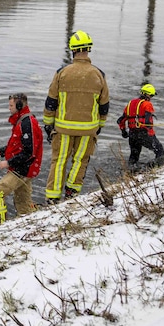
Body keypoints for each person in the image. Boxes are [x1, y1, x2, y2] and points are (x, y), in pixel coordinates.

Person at [42, 31, 110, 204]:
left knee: (59, 162)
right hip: (88, 130)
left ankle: (53, 198)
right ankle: (71, 193)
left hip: (63, 129)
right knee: (80, 161)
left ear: (72, 50)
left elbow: (51, 102)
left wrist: (48, 125)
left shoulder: (62, 73)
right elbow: (104, 106)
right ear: (88, 49)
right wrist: (99, 126)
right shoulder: (98, 74)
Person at [0, 93, 44, 227]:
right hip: (25, 168)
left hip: (23, 169)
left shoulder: (27, 123)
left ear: (19, 105)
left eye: (11, 105)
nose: (9, 108)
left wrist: (8, 162)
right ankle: (28, 222)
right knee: (23, 203)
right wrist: (1, 151)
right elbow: (17, 145)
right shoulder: (22, 121)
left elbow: (29, 152)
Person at [117, 83, 164, 169]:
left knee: (134, 156)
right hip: (144, 134)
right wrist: (150, 134)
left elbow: (120, 120)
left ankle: (130, 173)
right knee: (159, 151)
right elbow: (147, 122)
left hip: (132, 134)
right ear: (147, 95)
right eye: (151, 96)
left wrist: (124, 131)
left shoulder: (130, 103)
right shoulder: (147, 104)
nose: (151, 98)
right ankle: (155, 169)